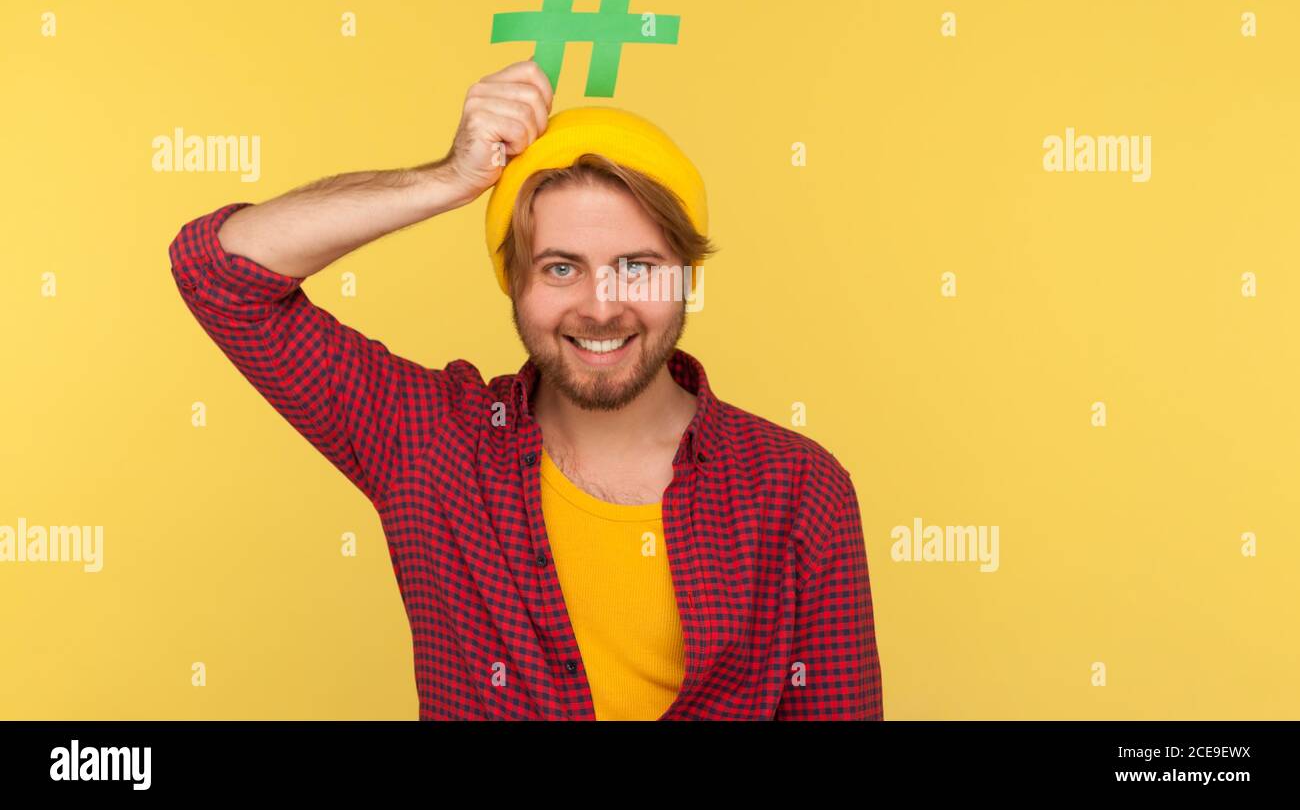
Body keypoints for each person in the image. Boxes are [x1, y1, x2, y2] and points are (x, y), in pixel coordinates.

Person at [168, 59, 883, 720]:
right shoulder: (430, 445)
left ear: (686, 277)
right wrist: (446, 179)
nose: (602, 307)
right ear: (513, 279)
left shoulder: (800, 490)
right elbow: (220, 275)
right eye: (561, 268)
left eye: (637, 266)